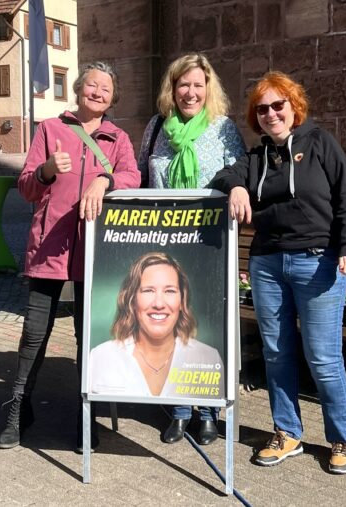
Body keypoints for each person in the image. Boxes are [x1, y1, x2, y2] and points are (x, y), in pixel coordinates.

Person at [211, 71, 346, 474]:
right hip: (267, 265)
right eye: (262, 109)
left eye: (278, 105)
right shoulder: (256, 156)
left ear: (293, 107)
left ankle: (342, 439)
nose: (270, 114)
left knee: (323, 357)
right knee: (277, 354)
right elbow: (225, 175)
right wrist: (237, 188)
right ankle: (287, 432)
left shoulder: (320, 144)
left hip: (318, 262)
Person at [0, 61, 140, 452]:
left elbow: (133, 177)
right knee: (33, 335)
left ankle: (84, 415)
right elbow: (25, 187)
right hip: (49, 250)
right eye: (92, 85)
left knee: (87, 337)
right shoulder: (50, 129)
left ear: (113, 98)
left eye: (105, 88)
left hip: (95, 253)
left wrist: (103, 178)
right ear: (78, 89)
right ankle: (17, 409)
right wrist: (44, 169)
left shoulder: (117, 138)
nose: (97, 92)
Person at [137, 53, 245, 445]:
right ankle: (180, 410)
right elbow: (141, 178)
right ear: (173, 88)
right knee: (176, 324)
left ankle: (210, 412)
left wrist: (235, 186)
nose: (191, 92)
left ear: (208, 89)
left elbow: (241, 172)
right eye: (184, 84)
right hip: (167, 246)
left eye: (198, 85)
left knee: (209, 325)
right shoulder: (156, 127)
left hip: (210, 244)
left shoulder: (223, 129)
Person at [88, 252, 224, 398]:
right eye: (148, 290)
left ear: (182, 301)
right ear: (132, 300)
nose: (159, 304)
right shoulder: (101, 357)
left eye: (170, 291)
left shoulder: (209, 358)